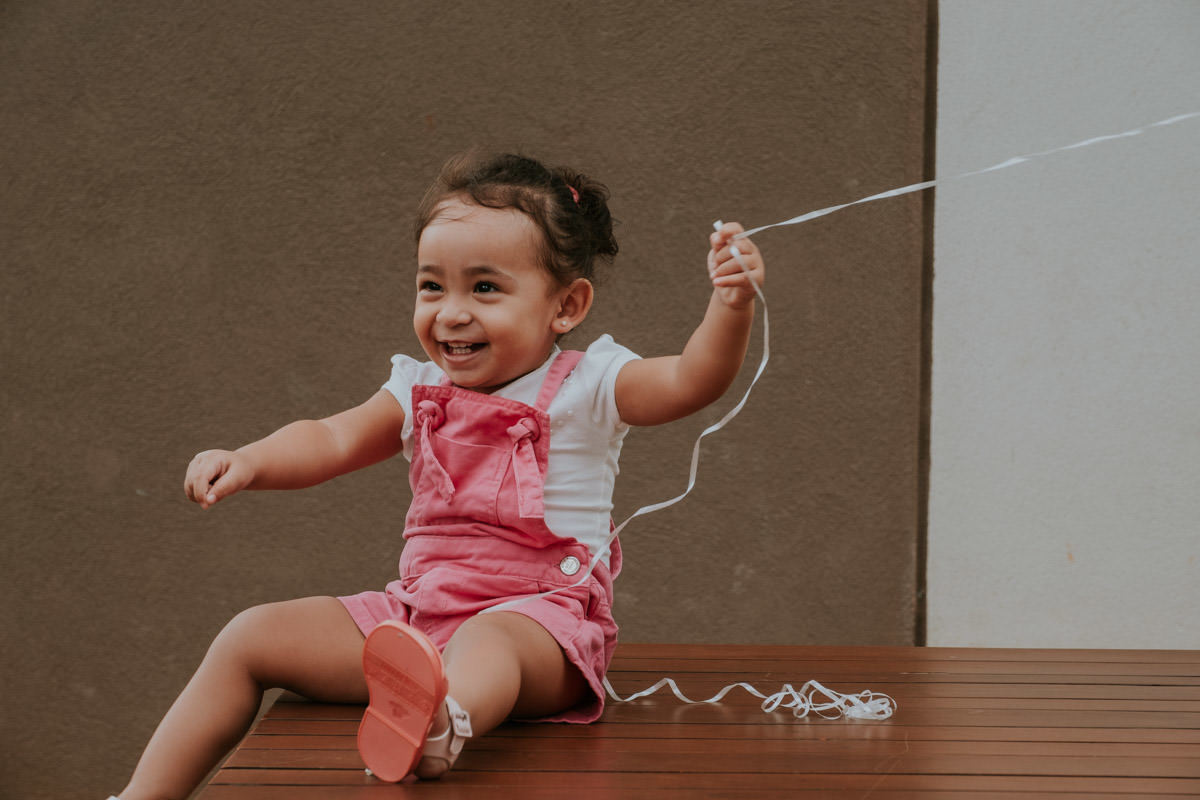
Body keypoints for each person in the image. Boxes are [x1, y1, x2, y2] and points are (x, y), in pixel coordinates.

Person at [112, 152, 765, 799]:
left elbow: (691, 379)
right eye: (432, 286)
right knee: (249, 637)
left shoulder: (589, 386)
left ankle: (442, 723)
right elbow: (332, 436)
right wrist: (250, 460)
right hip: (418, 617)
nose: (451, 312)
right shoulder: (419, 386)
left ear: (566, 306)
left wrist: (730, 305)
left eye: (484, 288)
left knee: (487, 642)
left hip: (541, 628)